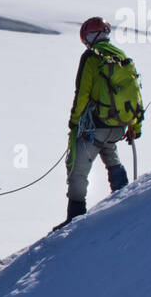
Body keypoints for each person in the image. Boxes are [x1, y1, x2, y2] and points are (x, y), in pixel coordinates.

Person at [57, 16, 144, 229]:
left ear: (89, 36)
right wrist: (135, 126)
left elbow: (83, 93)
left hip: (95, 124)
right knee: (109, 152)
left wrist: (74, 121)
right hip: (118, 126)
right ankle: (123, 193)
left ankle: (75, 216)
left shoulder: (92, 57)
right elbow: (136, 94)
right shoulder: (122, 57)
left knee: (77, 167)